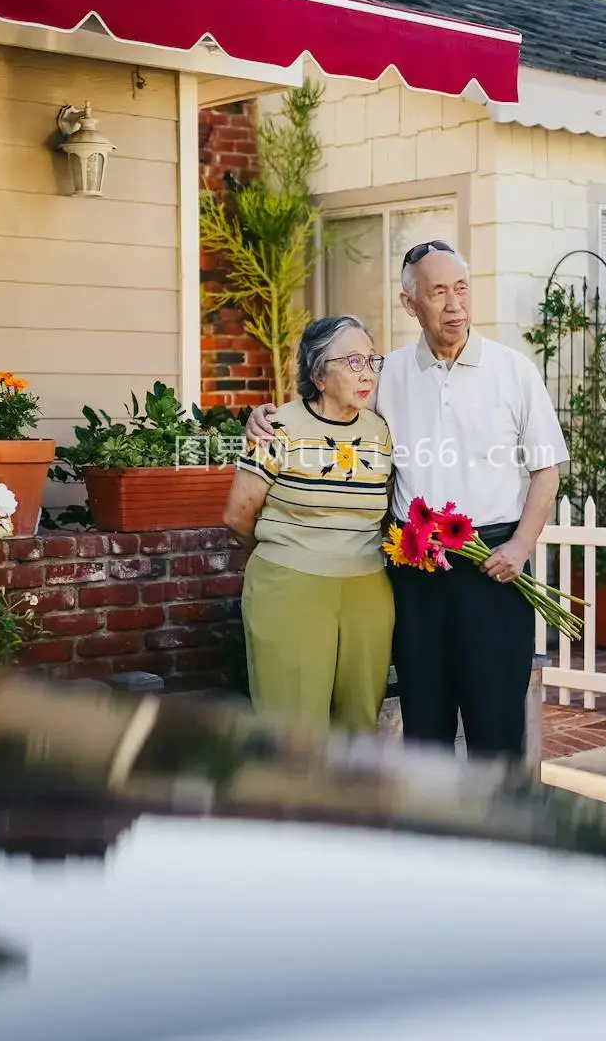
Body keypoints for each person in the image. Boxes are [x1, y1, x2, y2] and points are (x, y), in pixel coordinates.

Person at [247, 241, 567, 759]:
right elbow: (327, 405)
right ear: (409, 303)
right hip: (412, 570)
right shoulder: (386, 373)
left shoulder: (514, 372)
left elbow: (547, 469)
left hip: (494, 567)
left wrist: (521, 547)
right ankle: (429, 835)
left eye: (461, 288)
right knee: (425, 725)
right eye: (437, 292)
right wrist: (266, 417)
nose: (454, 304)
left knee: (496, 726)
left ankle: (498, 834)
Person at [223, 315, 395, 732]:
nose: (366, 372)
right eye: (352, 362)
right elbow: (237, 516)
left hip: (367, 588)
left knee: (358, 722)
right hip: (290, 588)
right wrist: (288, 554)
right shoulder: (278, 427)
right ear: (319, 373)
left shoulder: (380, 431)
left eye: (372, 360)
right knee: (293, 727)